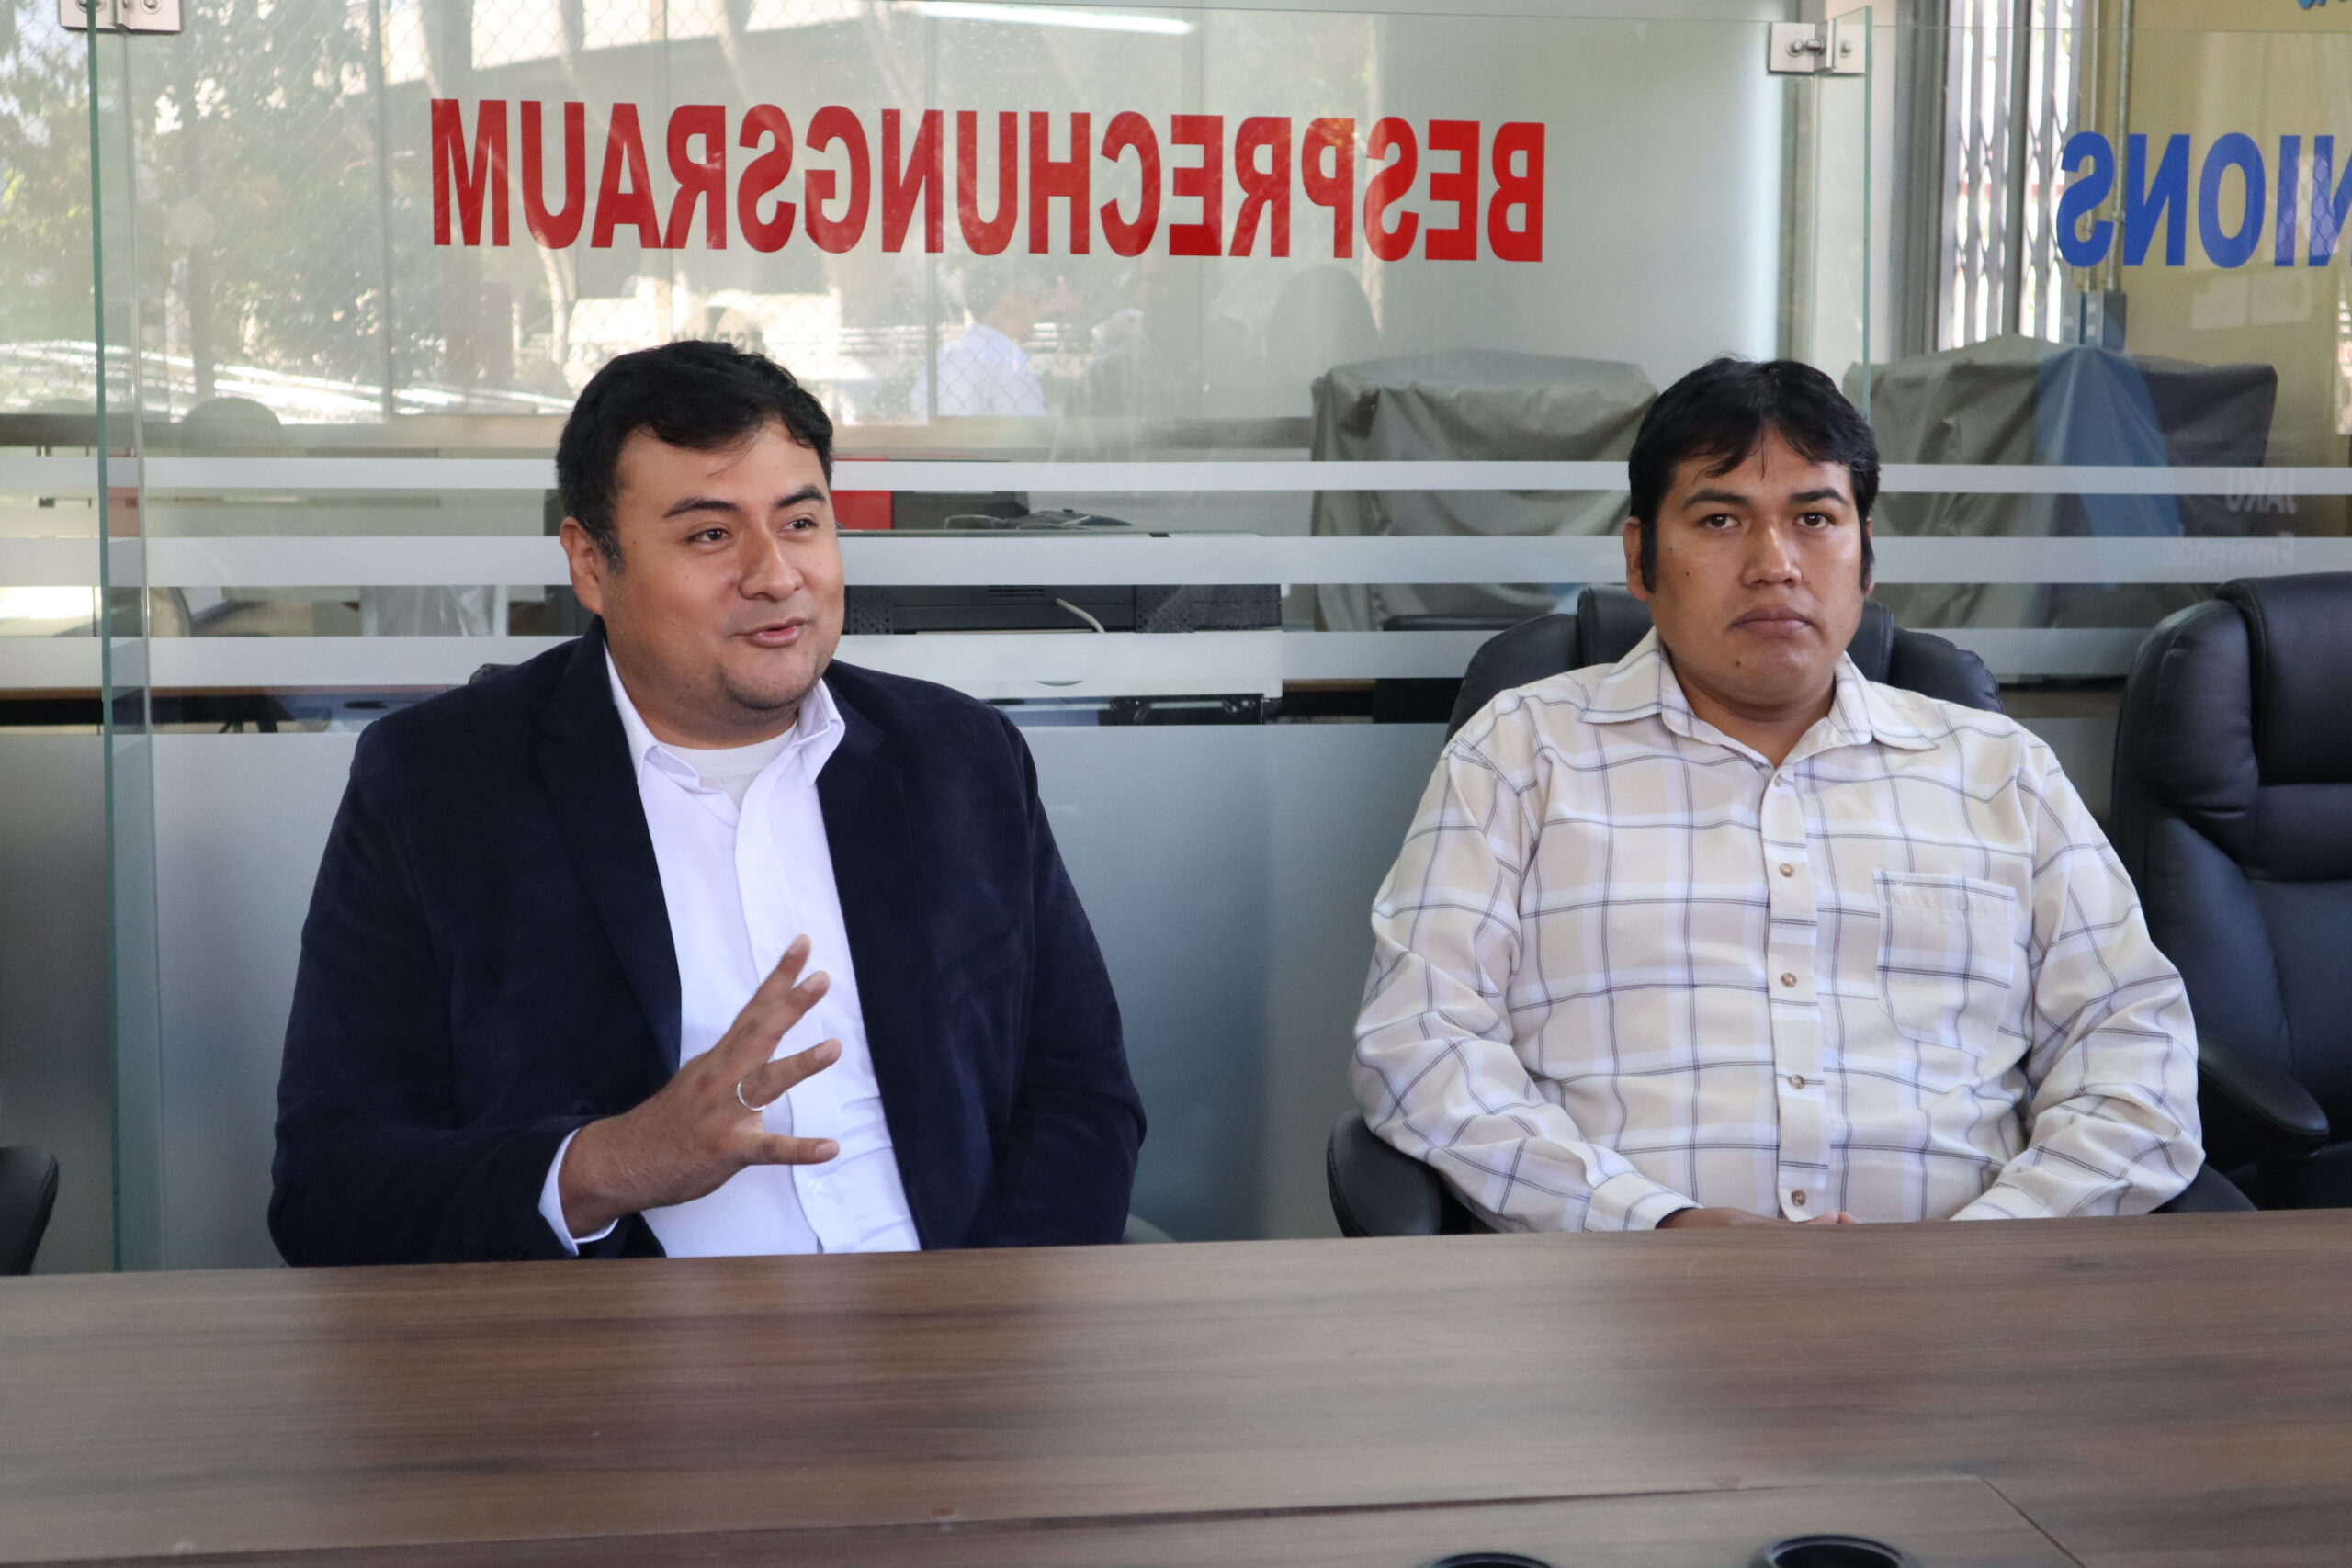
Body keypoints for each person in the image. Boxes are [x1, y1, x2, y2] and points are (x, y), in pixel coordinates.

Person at [272, 341, 1143, 1264]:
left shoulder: (958, 759)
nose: (776, 576)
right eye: (710, 535)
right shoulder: (439, 787)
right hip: (627, 1345)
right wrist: (609, 1164)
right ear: (590, 565)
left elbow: (1079, 1096)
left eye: (800, 522)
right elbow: (328, 1188)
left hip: (946, 1317)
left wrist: (983, 1315)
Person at [1352, 356, 2201, 1231]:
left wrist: (1982, 1248)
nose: (1775, 564)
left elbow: (2134, 1057)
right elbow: (1419, 1042)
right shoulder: (1519, 754)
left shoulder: (2001, 771)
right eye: (1720, 519)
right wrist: (1651, 1224)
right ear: (1640, 558)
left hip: (1972, 1295)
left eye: (1815, 518)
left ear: (1866, 558)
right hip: (1614, 1292)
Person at [912, 260, 1048, 418]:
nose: (1040, 309)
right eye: (1035, 298)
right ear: (1010, 301)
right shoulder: (1009, 364)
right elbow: (1033, 429)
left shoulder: (940, 359)